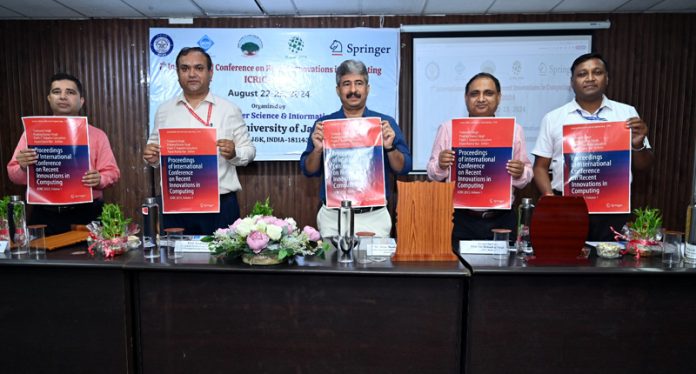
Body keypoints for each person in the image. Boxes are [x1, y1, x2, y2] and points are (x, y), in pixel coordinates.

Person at [532, 53, 653, 241]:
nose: (589, 78)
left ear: (607, 79)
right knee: (564, 266)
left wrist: (637, 145)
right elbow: (540, 166)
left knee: (610, 266)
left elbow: (643, 166)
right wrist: (550, 198)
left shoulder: (626, 113)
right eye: (582, 74)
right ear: (572, 82)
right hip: (566, 207)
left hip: (612, 207)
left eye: (597, 72)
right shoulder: (553, 118)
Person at [143, 47, 255, 235]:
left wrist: (235, 153)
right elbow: (153, 152)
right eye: (185, 68)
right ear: (177, 73)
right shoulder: (164, 110)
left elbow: (249, 151)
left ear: (211, 72)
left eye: (199, 68)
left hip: (220, 205)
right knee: (175, 261)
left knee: (222, 262)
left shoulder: (229, 109)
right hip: (177, 203)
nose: (192, 74)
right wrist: (151, 156)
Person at [300, 59, 412, 238]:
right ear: (338, 90)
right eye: (346, 84)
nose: (353, 90)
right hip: (333, 215)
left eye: (359, 83)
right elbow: (308, 170)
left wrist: (389, 147)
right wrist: (318, 150)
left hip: (374, 216)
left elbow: (404, 167)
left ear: (367, 88)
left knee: (374, 267)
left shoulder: (384, 123)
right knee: (331, 265)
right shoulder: (324, 125)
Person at [427, 72, 533, 250]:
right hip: (459, 218)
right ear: (466, 98)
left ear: (499, 98)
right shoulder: (448, 128)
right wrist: (440, 164)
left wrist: (521, 172)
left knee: (502, 275)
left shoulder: (514, 130)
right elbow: (432, 172)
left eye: (488, 93)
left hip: (502, 218)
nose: (481, 99)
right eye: (475, 93)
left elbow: (527, 175)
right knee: (459, 273)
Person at [7, 73, 120, 235]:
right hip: (44, 214)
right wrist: (23, 167)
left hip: (86, 213)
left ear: (81, 101)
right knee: (39, 260)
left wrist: (100, 179)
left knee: (90, 260)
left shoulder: (97, 135)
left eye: (70, 92)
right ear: (49, 98)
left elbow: (112, 172)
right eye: (56, 91)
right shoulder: (32, 134)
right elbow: (13, 175)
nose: (63, 96)